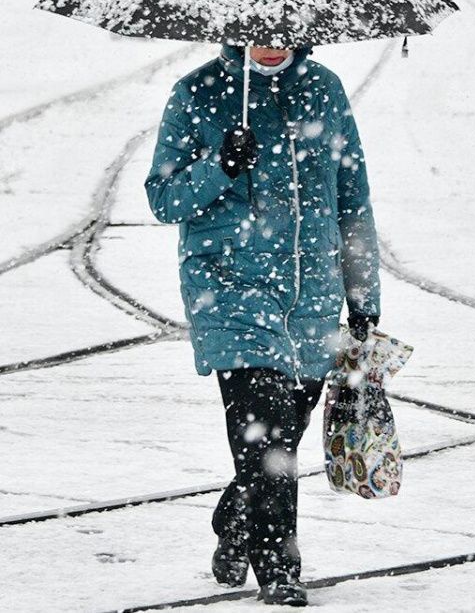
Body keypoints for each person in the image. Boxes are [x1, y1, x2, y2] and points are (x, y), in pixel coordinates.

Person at [145, 44, 381, 606]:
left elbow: (353, 199)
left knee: (282, 437)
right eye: (258, 28)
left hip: (313, 295)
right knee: (266, 433)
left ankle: (236, 514)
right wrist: (219, 167)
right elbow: (163, 197)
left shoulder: (323, 88)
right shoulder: (198, 92)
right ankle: (279, 565)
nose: (270, 38)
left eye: (281, 28)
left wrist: (363, 293)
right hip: (229, 291)